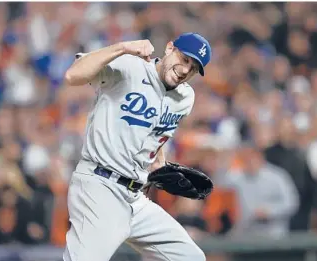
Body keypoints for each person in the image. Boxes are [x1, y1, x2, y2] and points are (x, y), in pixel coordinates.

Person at [62, 32, 211, 261]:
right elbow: (73, 75)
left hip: (135, 197)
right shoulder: (130, 66)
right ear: (170, 48)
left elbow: (155, 130)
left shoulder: (185, 98)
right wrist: (122, 47)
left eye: (192, 68)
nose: (184, 70)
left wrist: (159, 161)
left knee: (191, 257)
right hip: (100, 187)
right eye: (184, 59)